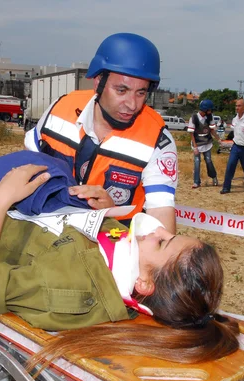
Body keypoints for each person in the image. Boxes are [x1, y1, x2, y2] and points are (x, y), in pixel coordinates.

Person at [0, 163, 240, 366]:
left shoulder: (70, 292)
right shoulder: (126, 258)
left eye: (162, 241)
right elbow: (95, 238)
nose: (154, 230)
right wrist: (105, 208)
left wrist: (1, 202)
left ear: (143, 285)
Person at [24, 33, 178, 233]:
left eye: (141, 92)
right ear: (98, 82)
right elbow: (26, 166)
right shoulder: (60, 109)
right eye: (121, 90)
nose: (132, 104)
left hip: (110, 243)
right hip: (44, 230)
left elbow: (162, 220)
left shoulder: (157, 140)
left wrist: (109, 214)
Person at [188, 99, 219, 188]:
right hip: (197, 143)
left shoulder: (210, 117)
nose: (211, 111)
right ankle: (196, 182)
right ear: (205, 109)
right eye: (210, 109)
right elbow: (191, 133)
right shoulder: (194, 118)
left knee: (208, 160)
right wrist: (195, 147)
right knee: (197, 162)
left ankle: (214, 177)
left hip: (207, 142)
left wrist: (218, 139)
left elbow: (212, 130)